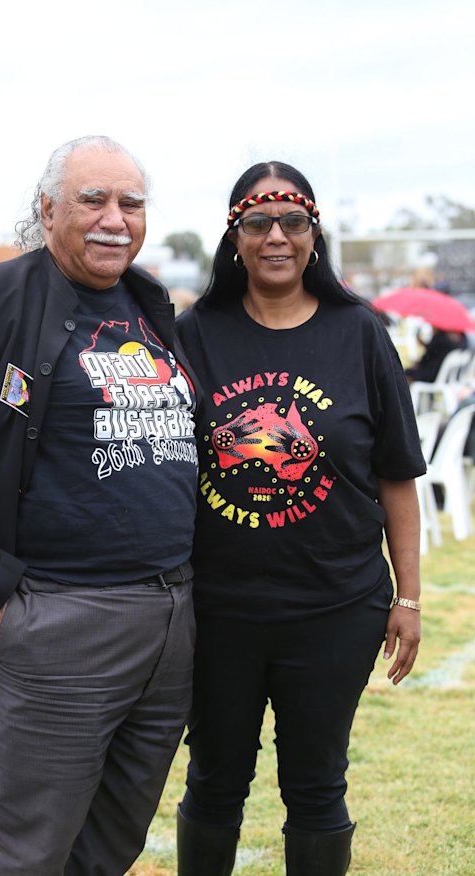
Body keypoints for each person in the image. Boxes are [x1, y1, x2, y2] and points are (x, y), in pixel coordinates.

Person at [0, 135, 200, 876]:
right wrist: (3, 606)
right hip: (57, 620)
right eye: (92, 199)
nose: (115, 219)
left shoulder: (148, 302)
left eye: (131, 203)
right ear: (47, 209)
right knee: (26, 849)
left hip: (170, 616)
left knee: (112, 842)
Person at [175, 161, 425, 875]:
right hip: (219, 608)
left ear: (314, 234)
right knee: (214, 780)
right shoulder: (195, 334)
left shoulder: (360, 332)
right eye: (258, 223)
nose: (276, 237)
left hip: (337, 605)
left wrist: (407, 597)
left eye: (293, 222)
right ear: (235, 237)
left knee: (316, 785)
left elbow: (397, 477)